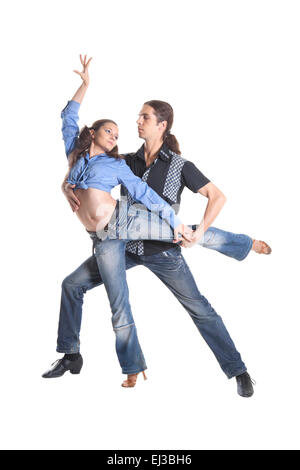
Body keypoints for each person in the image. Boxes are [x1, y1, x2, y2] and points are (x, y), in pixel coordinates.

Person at [44, 55, 270, 396]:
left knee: (199, 301)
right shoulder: (125, 160)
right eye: (135, 117)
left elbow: (212, 197)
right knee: (74, 286)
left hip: (163, 250)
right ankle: (77, 355)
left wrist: (190, 233)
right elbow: (80, 154)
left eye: (144, 117)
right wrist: (66, 184)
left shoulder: (180, 164)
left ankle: (239, 369)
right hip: (122, 241)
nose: (136, 121)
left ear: (161, 125)